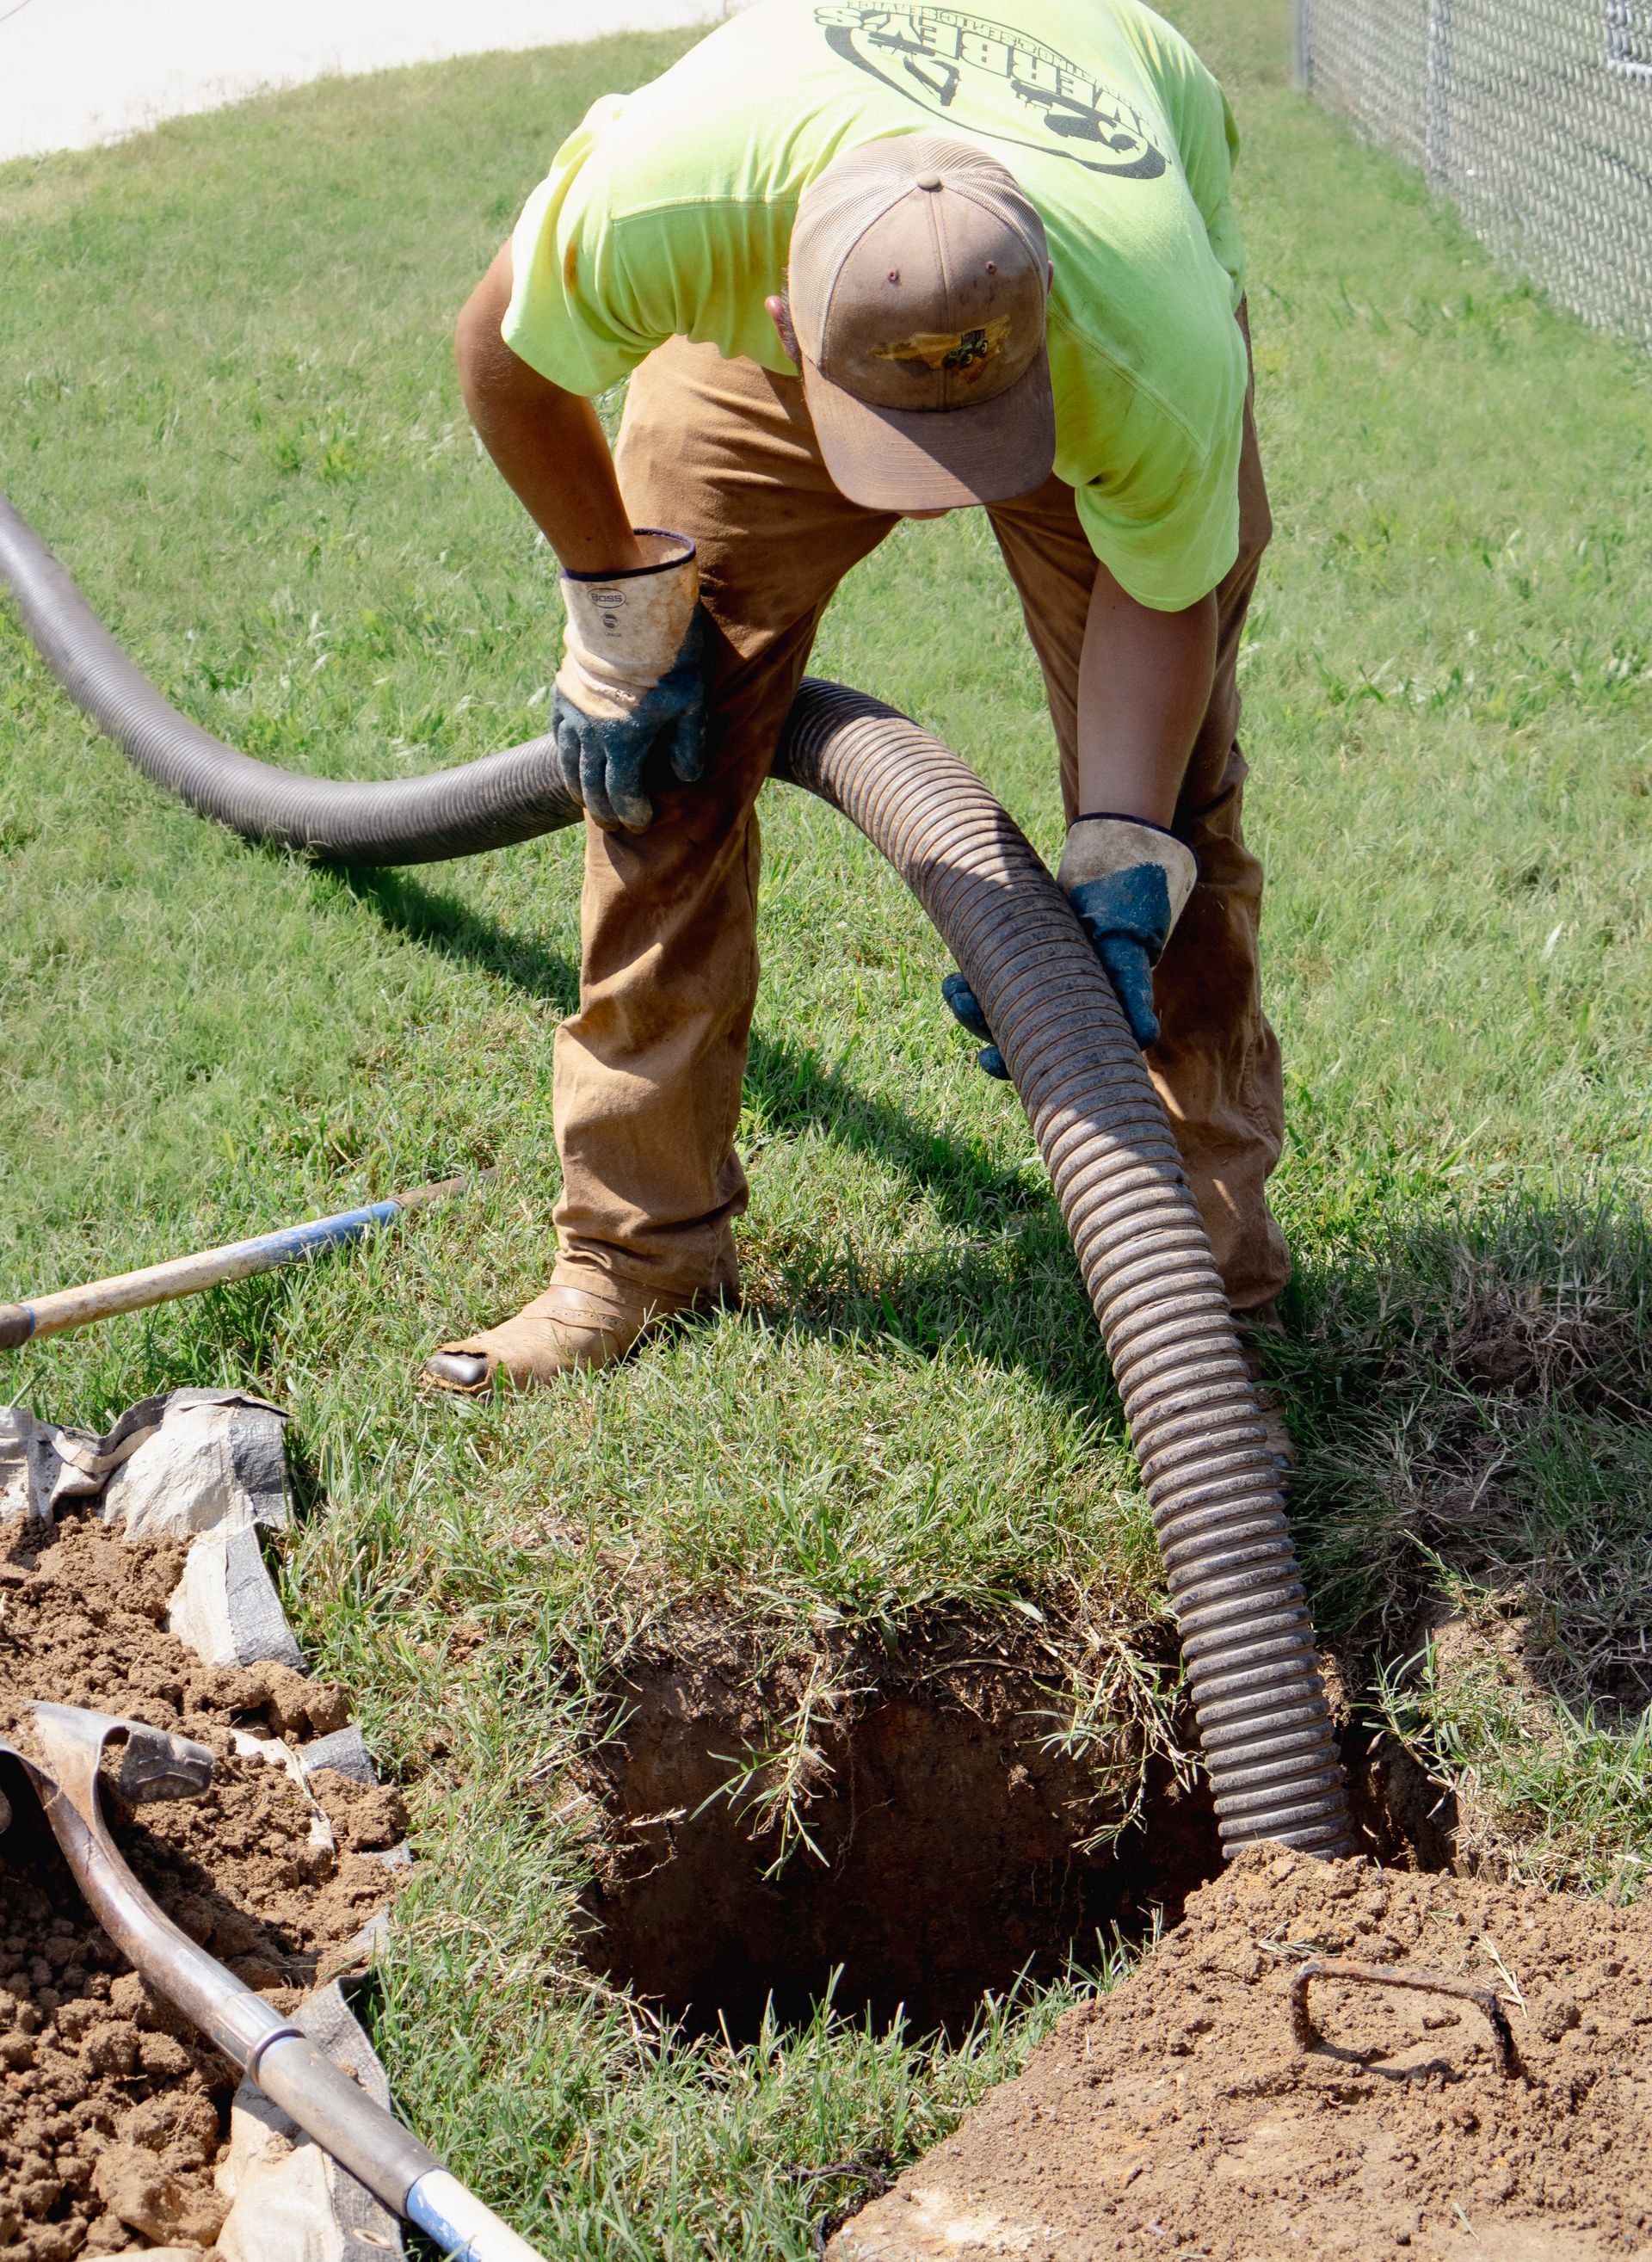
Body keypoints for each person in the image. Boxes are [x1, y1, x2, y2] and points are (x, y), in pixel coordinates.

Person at [426, 0, 1287, 1399]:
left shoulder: (1149, 339)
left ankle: (1199, 1277)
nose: (946, 491)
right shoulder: (676, 200)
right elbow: (500, 353)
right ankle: (636, 1253)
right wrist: (616, 618)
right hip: (833, 275)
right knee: (670, 752)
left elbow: (1164, 596)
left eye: (969, 444)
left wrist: (1121, 862)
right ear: (778, 309)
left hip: (1082, 331)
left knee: (1173, 811)